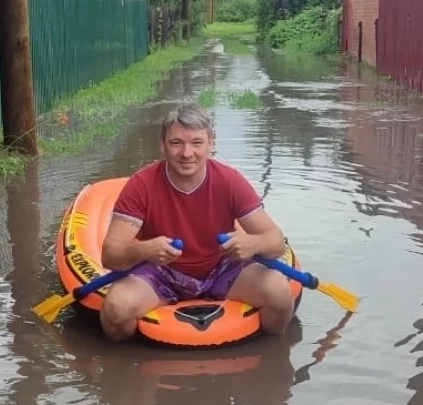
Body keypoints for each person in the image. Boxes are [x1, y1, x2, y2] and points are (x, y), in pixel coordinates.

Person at [100, 103, 295, 341]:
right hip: (161, 272)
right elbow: (110, 255)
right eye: (176, 143)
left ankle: (271, 357)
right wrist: (143, 249)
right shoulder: (141, 185)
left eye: (197, 142)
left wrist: (253, 244)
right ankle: (126, 369)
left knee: (279, 293)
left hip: (221, 267)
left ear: (211, 144)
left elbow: (275, 241)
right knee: (117, 308)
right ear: (162, 145)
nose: (187, 153)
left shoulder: (230, 181)